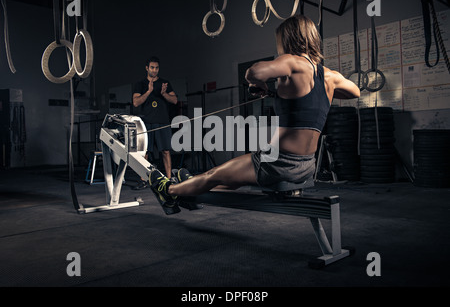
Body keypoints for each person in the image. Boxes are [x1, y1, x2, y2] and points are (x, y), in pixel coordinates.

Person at [149, 15, 360, 210]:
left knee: (213, 174)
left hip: (276, 163)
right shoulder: (330, 76)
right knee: (228, 181)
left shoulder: (292, 62)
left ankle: (168, 191)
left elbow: (253, 72)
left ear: (289, 39)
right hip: (306, 166)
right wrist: (315, 94)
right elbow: (354, 92)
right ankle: (190, 188)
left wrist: (256, 83)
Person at [132, 56, 178, 190]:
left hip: (162, 121)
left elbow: (174, 100)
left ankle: (169, 179)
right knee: (145, 152)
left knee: (165, 151)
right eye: (152, 67)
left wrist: (164, 93)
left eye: (157, 68)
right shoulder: (140, 84)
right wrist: (149, 91)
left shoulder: (165, 83)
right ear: (147, 68)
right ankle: (143, 179)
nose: (154, 70)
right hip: (147, 122)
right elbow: (136, 102)